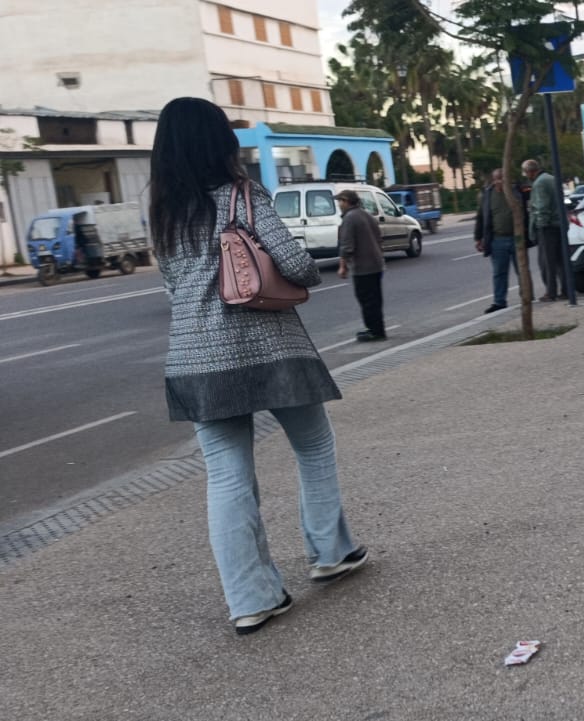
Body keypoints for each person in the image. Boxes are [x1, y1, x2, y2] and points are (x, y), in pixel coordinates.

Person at [148, 97, 366, 636]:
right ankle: (330, 552)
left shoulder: (160, 211)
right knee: (313, 445)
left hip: (195, 359)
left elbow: (173, 287)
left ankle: (251, 600)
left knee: (226, 474)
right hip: (270, 349)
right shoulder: (242, 194)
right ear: (219, 141)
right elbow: (295, 265)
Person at [335, 190, 386, 342]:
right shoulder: (366, 215)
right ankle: (378, 329)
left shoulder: (350, 218)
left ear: (346, 201)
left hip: (363, 267)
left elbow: (347, 246)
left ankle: (375, 332)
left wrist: (343, 266)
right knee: (375, 299)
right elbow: (379, 238)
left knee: (367, 300)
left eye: (340, 201)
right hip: (376, 264)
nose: (339, 204)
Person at [473, 168, 517, 313]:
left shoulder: (515, 192)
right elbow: (481, 217)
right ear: (493, 180)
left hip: (517, 238)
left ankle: (527, 297)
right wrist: (478, 237)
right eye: (497, 179)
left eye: (502, 178)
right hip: (498, 239)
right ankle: (499, 301)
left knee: (522, 271)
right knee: (499, 273)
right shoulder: (488, 195)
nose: (500, 181)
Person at [522, 158, 565, 301]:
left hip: (548, 228)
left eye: (526, 172)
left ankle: (550, 292)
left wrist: (540, 226)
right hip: (559, 224)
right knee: (561, 261)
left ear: (530, 171)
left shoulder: (539, 183)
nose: (526, 176)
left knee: (546, 262)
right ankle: (566, 289)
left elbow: (542, 207)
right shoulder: (552, 178)